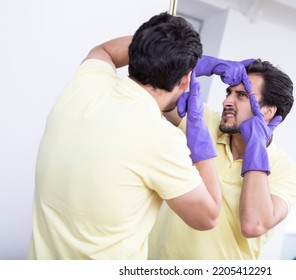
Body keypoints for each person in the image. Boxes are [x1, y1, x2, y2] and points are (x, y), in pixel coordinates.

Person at [28, 12, 222, 260]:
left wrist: (154, 46)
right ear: (186, 80)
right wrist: (200, 139)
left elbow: (105, 50)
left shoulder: (85, 85)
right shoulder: (160, 139)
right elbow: (208, 216)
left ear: (137, 51)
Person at [148, 57, 296, 259]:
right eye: (228, 92)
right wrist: (199, 64)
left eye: (241, 95)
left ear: (268, 111)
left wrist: (256, 147)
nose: (226, 101)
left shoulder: (287, 171)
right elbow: (152, 88)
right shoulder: (205, 122)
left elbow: (253, 224)